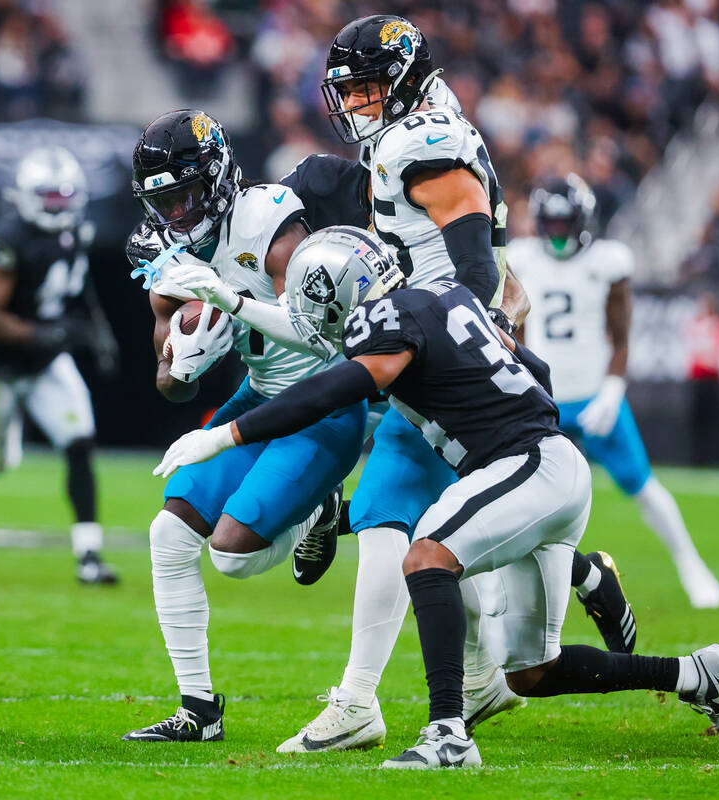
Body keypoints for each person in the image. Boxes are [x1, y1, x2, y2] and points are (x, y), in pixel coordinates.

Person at [156, 227, 719, 768]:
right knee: (534, 671)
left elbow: (334, 389)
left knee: (427, 553)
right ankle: (695, 674)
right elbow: (529, 365)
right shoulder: (445, 294)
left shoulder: (385, 320)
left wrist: (224, 434)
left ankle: (447, 734)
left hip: (525, 465)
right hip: (547, 464)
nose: (314, 327)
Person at [270, 15, 634, 753]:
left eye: (368, 87)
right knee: (458, 540)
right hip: (447, 344)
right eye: (352, 90)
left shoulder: (421, 140)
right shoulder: (417, 131)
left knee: (390, 519)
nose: (357, 104)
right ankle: (575, 588)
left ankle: (359, 701)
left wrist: (457, 325)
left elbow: (472, 259)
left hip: (448, 354)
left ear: (402, 80)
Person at [121, 109, 362, 742]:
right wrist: (186, 364)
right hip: (259, 397)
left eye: (186, 195)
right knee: (168, 535)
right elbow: (167, 384)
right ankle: (198, 712)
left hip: (323, 403)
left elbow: (317, 334)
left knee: (229, 555)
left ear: (218, 177)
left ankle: (320, 509)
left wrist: (231, 300)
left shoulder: (269, 218)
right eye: (162, 201)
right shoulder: (167, 254)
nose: (175, 214)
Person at [511, 175, 719, 608]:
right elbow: (517, 332)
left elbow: (621, 337)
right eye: (549, 223)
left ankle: (690, 564)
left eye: (563, 223)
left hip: (593, 397)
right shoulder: (520, 258)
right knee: (518, 495)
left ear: (583, 220)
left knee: (641, 484)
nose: (556, 233)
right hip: (542, 401)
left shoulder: (609, 261)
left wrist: (611, 391)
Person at [0, 145, 121, 584]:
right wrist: (41, 333)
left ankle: (89, 555)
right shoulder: (9, 239)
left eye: (64, 197)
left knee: (79, 441)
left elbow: (77, 287)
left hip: (45, 362)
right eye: (49, 197)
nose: (57, 206)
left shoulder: (77, 230)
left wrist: (98, 330)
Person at [685, 293, 719, 465]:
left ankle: (715, 457)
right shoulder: (696, 326)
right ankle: (698, 457)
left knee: (713, 420)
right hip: (699, 380)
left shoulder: (718, 326)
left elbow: (717, 355)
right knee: (698, 420)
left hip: (712, 380)